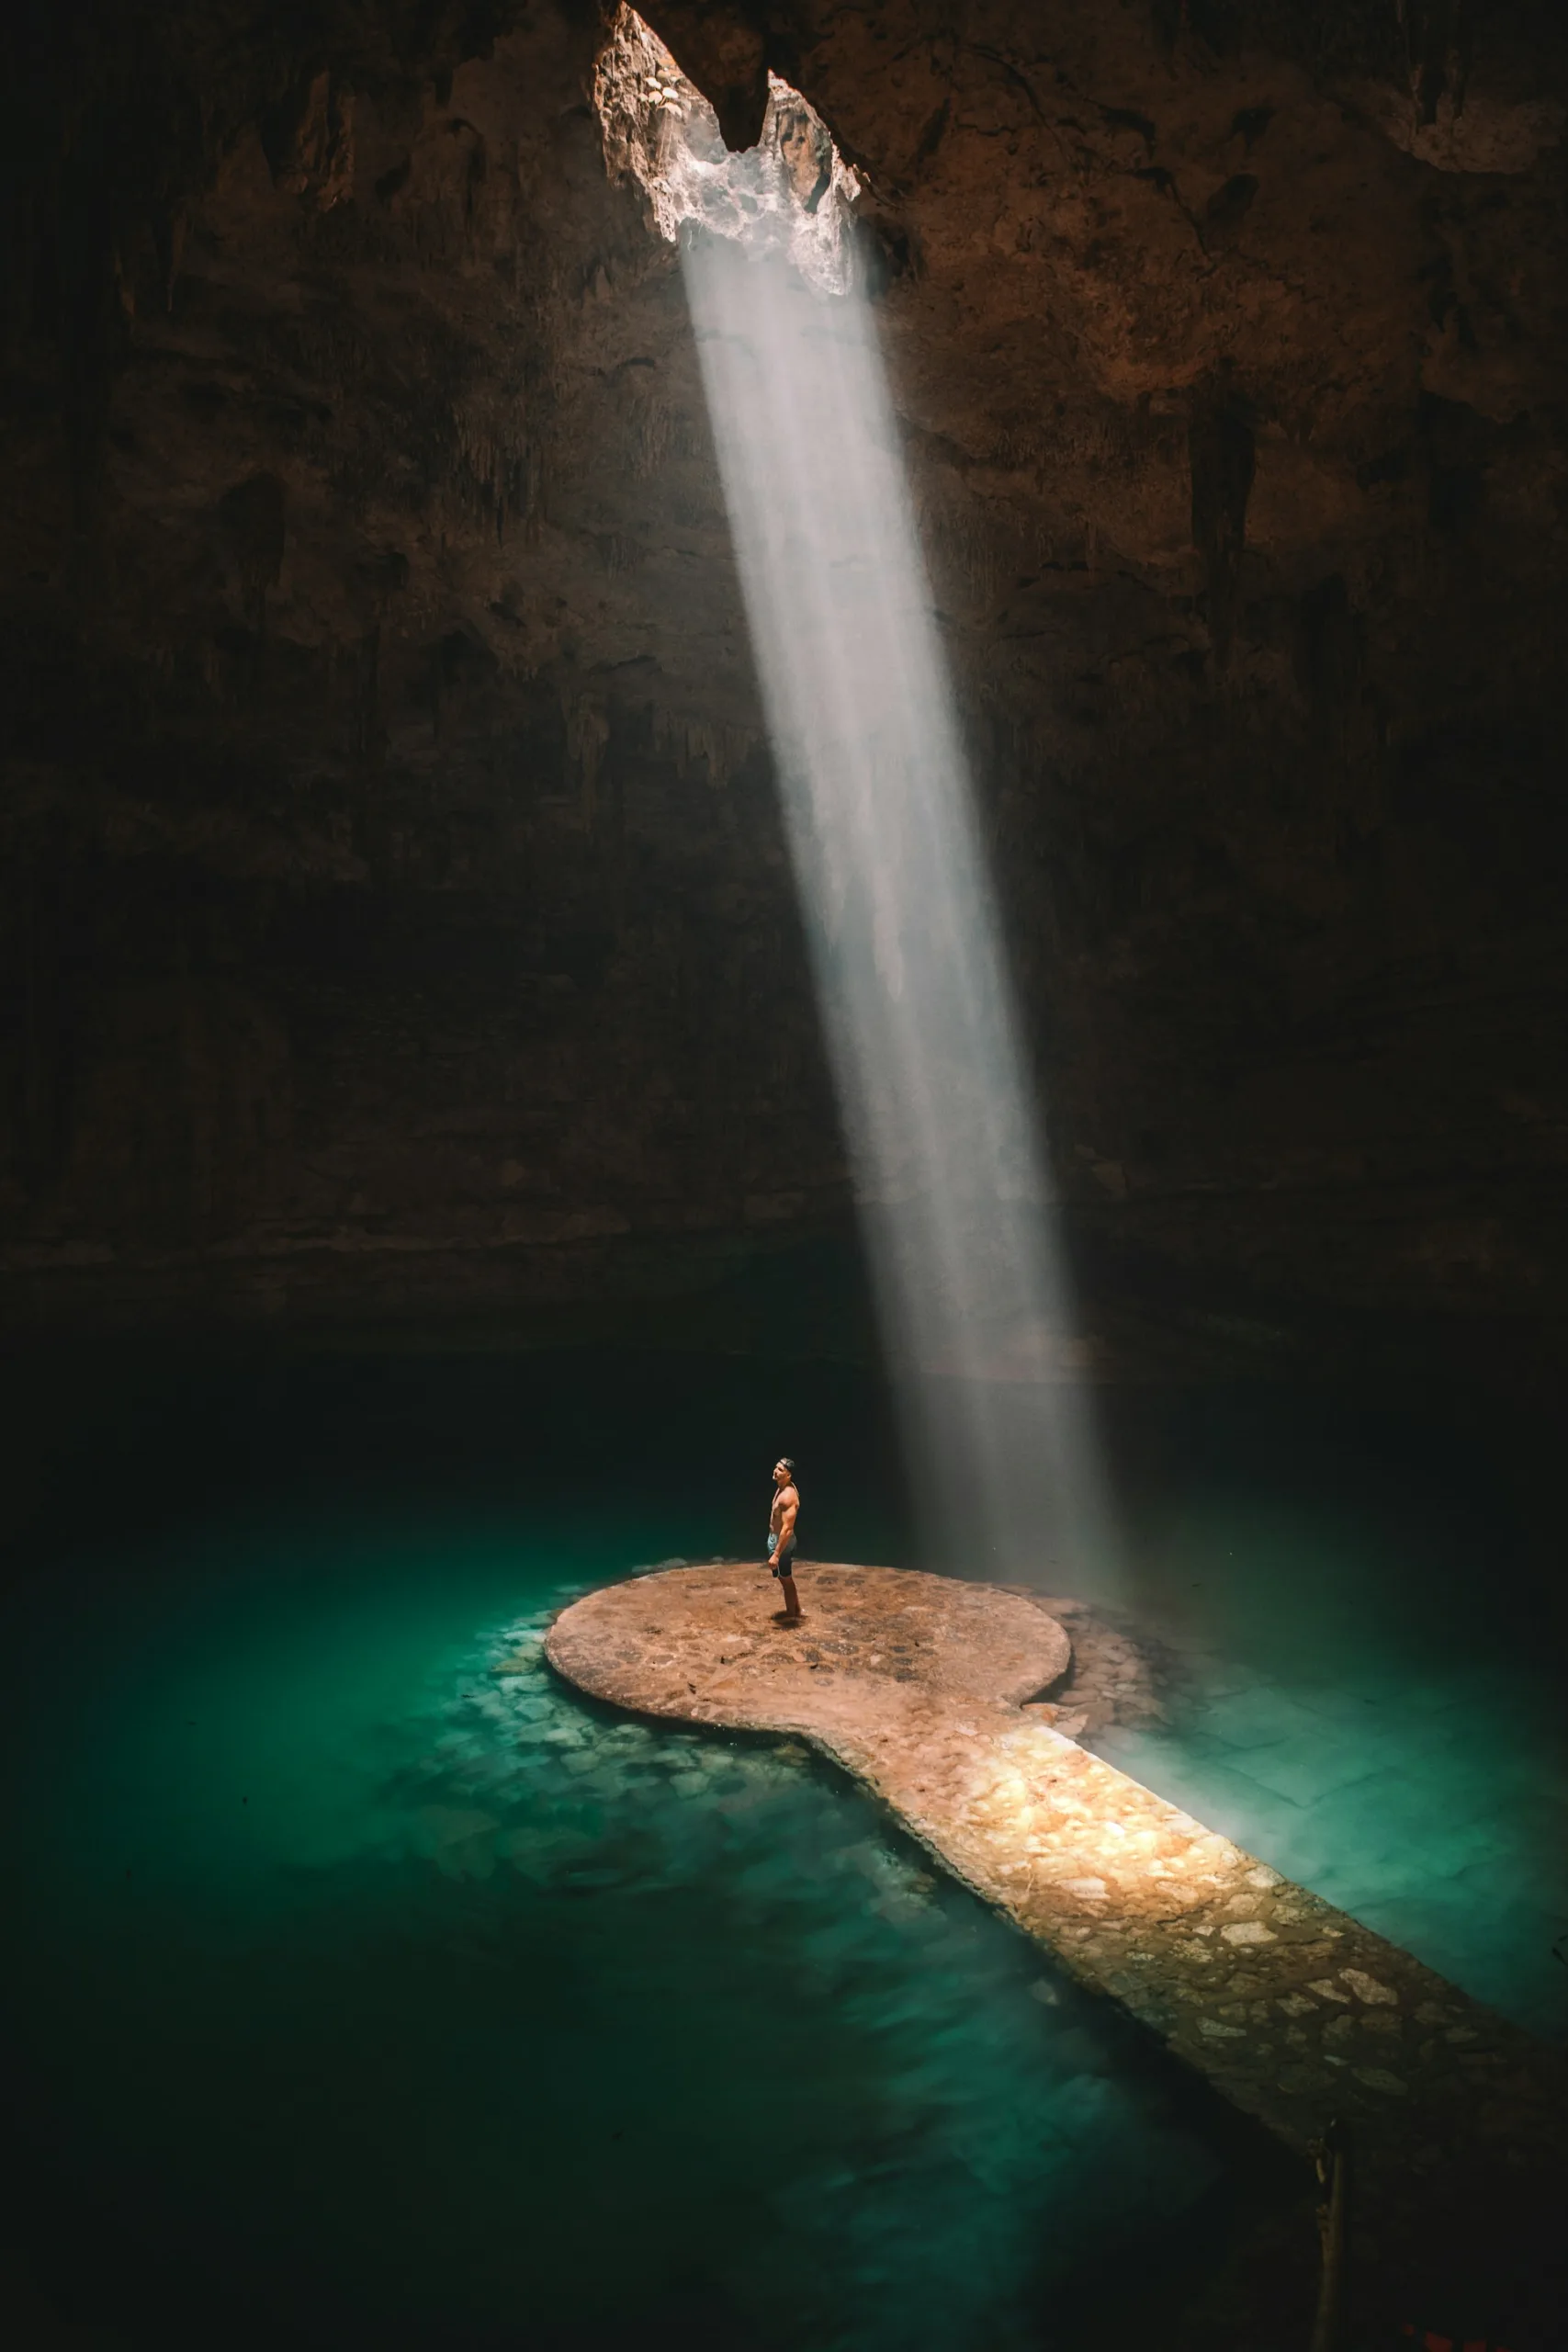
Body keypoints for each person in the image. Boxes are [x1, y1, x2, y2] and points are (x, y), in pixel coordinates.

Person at [763, 1456, 802, 1623]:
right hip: (776, 1539)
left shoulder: (788, 1497)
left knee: (786, 1579)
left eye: (780, 1470)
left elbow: (787, 1529)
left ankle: (791, 1614)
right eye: (776, 1467)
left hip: (782, 1543)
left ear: (789, 1475)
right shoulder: (781, 1487)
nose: (776, 1471)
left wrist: (776, 1554)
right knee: (783, 1577)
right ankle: (796, 1609)